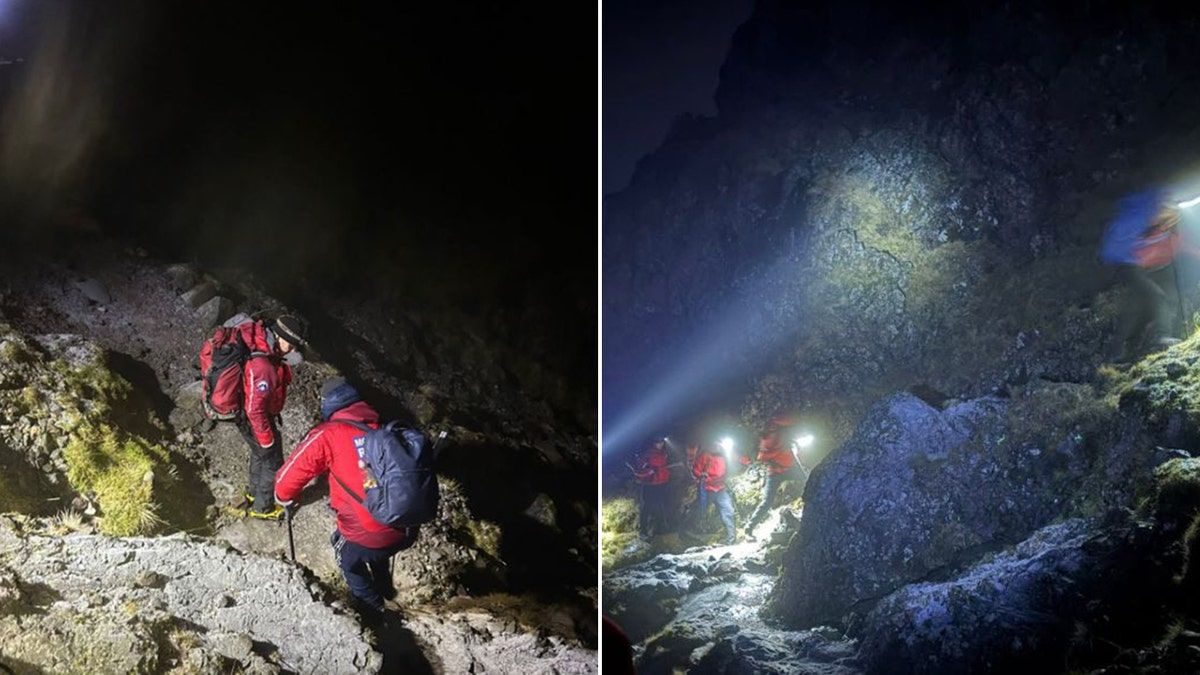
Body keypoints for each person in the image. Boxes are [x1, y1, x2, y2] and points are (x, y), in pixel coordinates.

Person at [274, 377, 418, 624]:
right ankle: (385, 588)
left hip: (371, 535)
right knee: (376, 540)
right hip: (408, 526)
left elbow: (285, 482)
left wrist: (283, 498)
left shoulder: (329, 434)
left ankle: (376, 614)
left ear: (328, 406)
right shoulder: (386, 428)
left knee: (347, 557)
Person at [1101, 189, 1200, 362]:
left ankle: (1124, 352)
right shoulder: (1147, 226)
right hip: (1130, 266)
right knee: (1156, 296)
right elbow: (1133, 250)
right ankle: (1160, 338)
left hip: (1145, 268)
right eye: (1169, 216)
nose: (1173, 220)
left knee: (1152, 302)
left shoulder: (1169, 232)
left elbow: (1186, 247)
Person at [236, 314, 308, 519]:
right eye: (292, 344)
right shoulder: (262, 366)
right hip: (255, 420)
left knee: (259, 455)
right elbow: (254, 409)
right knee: (273, 462)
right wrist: (267, 438)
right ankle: (263, 508)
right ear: (281, 337)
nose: (293, 350)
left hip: (249, 418)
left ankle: (253, 494)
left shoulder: (265, 349)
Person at [741, 416, 798, 539]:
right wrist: (779, 451)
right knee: (767, 501)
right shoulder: (765, 438)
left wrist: (775, 420)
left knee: (810, 480)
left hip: (790, 468)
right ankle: (748, 529)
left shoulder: (782, 430)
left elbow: (793, 420)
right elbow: (762, 457)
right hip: (775, 472)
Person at [690, 443, 737, 545]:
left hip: (721, 488)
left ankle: (731, 538)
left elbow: (728, 469)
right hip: (707, 488)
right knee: (701, 511)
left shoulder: (724, 456)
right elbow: (696, 470)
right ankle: (691, 531)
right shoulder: (705, 455)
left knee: (728, 510)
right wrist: (702, 475)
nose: (718, 448)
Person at [632, 438, 671, 539]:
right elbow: (638, 471)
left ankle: (659, 529)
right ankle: (643, 531)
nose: (660, 444)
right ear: (654, 443)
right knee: (647, 508)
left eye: (662, 442)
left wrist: (666, 473)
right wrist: (650, 471)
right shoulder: (647, 454)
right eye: (658, 442)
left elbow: (665, 467)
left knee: (660, 506)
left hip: (661, 484)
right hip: (650, 485)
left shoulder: (664, 453)